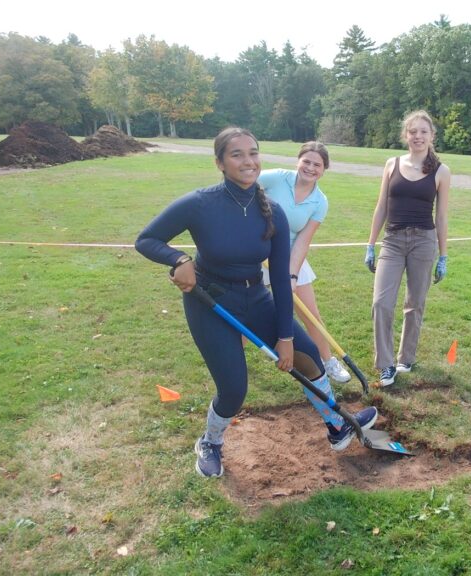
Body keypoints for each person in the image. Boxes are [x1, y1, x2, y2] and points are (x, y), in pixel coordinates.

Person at [135, 127, 378, 478]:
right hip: (211, 303)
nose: (248, 161)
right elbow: (147, 239)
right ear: (220, 162)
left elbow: (279, 279)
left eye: (253, 153)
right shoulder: (200, 204)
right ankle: (210, 442)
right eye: (237, 154)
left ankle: (337, 425)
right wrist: (178, 259)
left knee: (308, 355)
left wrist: (286, 337)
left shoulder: (273, 212)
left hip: (256, 297)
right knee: (234, 389)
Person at [364, 110, 451, 387]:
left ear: (432, 136)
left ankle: (406, 358)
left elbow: (441, 217)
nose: (418, 136)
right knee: (381, 303)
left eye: (423, 132)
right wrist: (370, 245)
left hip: (423, 242)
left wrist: (443, 255)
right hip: (392, 241)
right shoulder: (392, 164)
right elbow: (381, 207)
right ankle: (386, 364)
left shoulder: (441, 171)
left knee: (415, 304)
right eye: (413, 131)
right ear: (406, 135)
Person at [257, 142, 352, 384]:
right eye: (306, 161)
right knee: (249, 311)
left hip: (289, 256)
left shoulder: (320, 201)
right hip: (256, 253)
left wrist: (291, 276)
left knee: (311, 314)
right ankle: (231, 364)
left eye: (317, 164)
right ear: (298, 161)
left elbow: (303, 241)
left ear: (324, 169)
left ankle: (328, 361)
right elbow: (243, 184)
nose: (310, 168)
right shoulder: (277, 178)